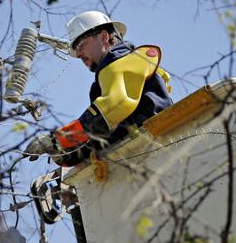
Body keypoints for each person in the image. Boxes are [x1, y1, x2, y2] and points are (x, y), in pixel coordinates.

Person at [25, 11, 173, 166]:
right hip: (143, 151)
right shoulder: (108, 77)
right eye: (76, 51)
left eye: (81, 45)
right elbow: (106, 129)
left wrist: (59, 139)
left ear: (104, 37)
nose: (79, 54)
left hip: (159, 141)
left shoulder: (123, 63)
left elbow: (115, 105)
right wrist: (73, 153)